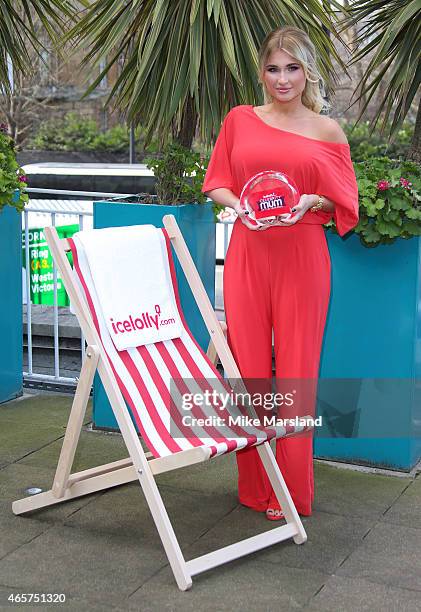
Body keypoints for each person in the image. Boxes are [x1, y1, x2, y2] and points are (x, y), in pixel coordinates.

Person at [202, 25, 359, 520]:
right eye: (273, 68)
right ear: (262, 72)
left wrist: (312, 199)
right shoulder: (240, 120)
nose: (283, 78)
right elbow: (218, 182)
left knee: (295, 373)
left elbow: (344, 201)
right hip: (248, 251)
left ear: (307, 71)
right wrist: (241, 207)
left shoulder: (327, 130)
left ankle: (289, 493)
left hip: (303, 255)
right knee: (248, 369)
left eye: (292, 68)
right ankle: (256, 486)